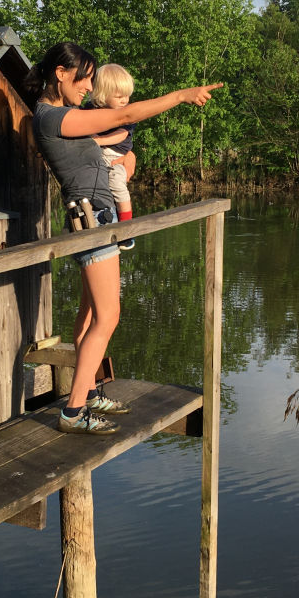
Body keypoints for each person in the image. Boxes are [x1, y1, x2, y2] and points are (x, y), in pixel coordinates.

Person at [23, 42, 221, 434]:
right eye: (84, 78)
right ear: (61, 74)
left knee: (90, 314)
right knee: (109, 315)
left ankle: (90, 390)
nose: (88, 87)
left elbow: (104, 147)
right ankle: (73, 412)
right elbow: (126, 113)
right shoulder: (51, 118)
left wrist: (124, 165)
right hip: (91, 220)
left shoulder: (64, 115)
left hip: (96, 216)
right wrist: (181, 95)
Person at [86, 63, 138, 250]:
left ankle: (126, 229)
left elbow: (121, 135)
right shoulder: (88, 109)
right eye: (119, 96)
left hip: (116, 155)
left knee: (117, 183)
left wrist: (99, 141)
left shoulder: (125, 114)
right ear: (102, 94)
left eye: (127, 95)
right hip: (98, 157)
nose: (125, 100)